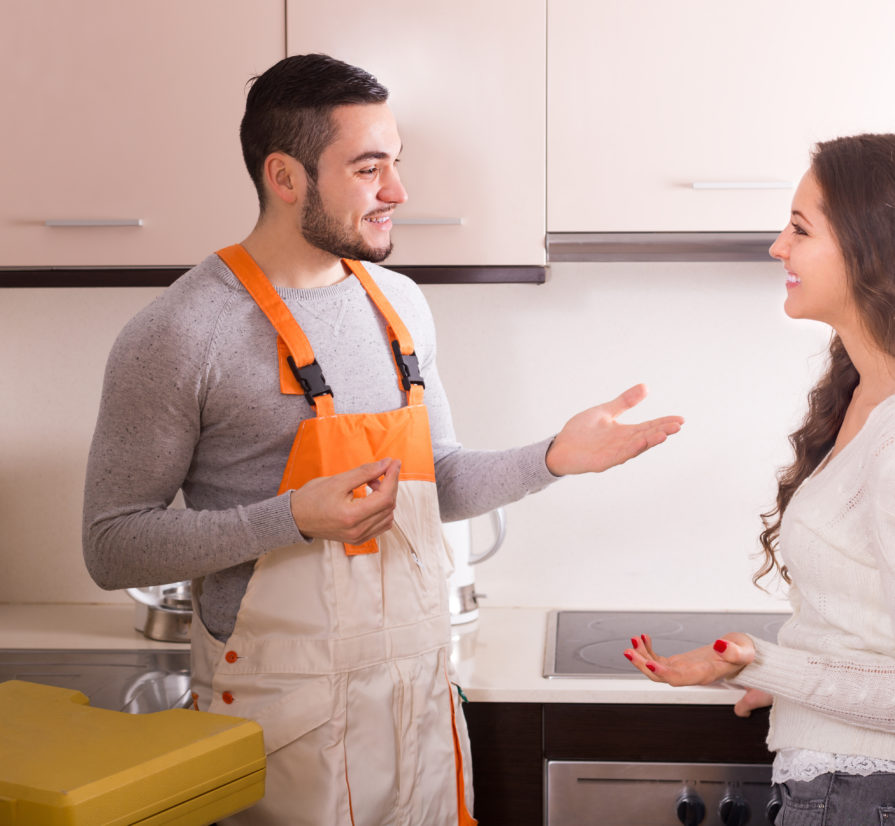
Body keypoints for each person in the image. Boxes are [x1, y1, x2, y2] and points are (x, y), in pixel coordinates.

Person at [83, 53, 683, 826]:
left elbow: (436, 481)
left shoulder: (396, 304)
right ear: (285, 176)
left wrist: (552, 460)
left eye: (395, 164)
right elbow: (112, 546)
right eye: (369, 169)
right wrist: (293, 517)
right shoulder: (179, 332)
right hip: (277, 721)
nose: (397, 192)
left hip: (412, 705)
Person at [624, 133, 895, 824]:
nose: (777, 247)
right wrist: (785, 683)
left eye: (799, 230)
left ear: (873, 247)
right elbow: (863, 630)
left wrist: (753, 663)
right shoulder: (861, 391)